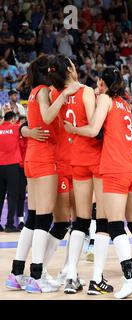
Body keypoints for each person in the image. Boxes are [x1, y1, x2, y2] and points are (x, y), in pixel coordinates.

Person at [64, 66, 132, 299]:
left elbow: (92, 130)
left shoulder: (106, 100)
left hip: (115, 168)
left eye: (99, 83)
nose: (97, 87)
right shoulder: (125, 103)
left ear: (103, 83)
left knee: (114, 224)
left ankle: (130, 277)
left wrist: (72, 128)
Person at [5, 55, 74, 294]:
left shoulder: (34, 91)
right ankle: (36, 275)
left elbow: (31, 123)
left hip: (32, 158)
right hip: (45, 158)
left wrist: (26, 130)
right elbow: (46, 117)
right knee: (44, 218)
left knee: (33, 218)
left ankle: (16, 273)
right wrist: (64, 95)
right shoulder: (44, 90)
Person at [47, 54, 109, 295]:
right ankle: (96, 279)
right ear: (71, 69)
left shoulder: (55, 94)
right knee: (100, 220)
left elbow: (48, 118)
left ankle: (71, 275)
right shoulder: (86, 91)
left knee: (79, 221)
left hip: (71, 159)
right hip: (93, 157)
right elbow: (95, 128)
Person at [0, 111, 21, 232]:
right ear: (13, 119)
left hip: (0, 165)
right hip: (12, 165)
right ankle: (9, 224)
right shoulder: (15, 128)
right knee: (12, 196)